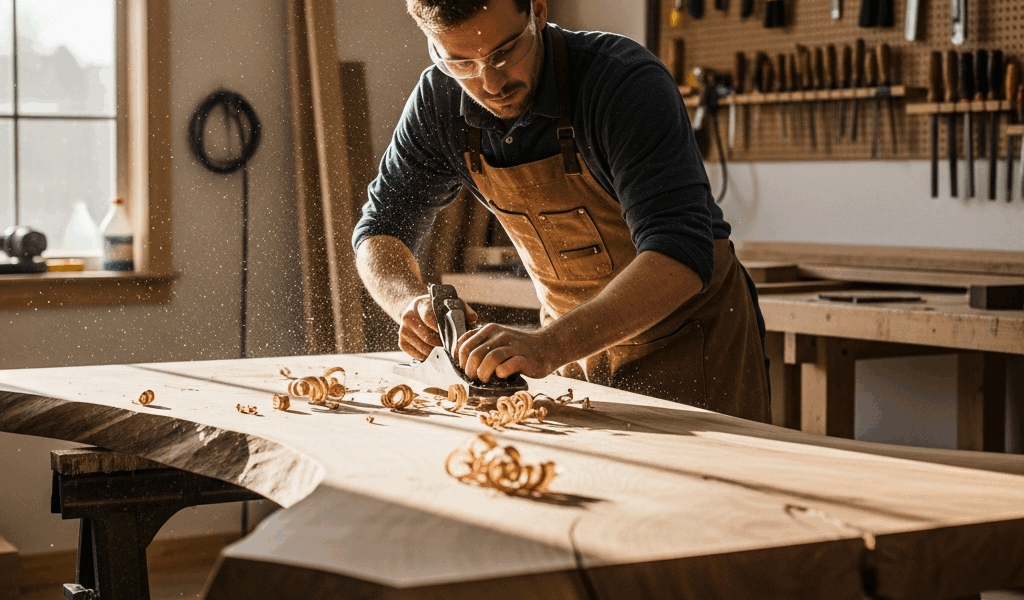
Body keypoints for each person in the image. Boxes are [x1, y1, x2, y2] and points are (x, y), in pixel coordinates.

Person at [353, 0, 771, 422]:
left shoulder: (623, 83)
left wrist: (548, 345)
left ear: (536, 10)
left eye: (503, 53)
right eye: (461, 63)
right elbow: (380, 229)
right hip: (577, 354)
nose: (489, 82)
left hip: (690, 346)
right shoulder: (439, 101)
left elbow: (680, 253)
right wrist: (408, 301)